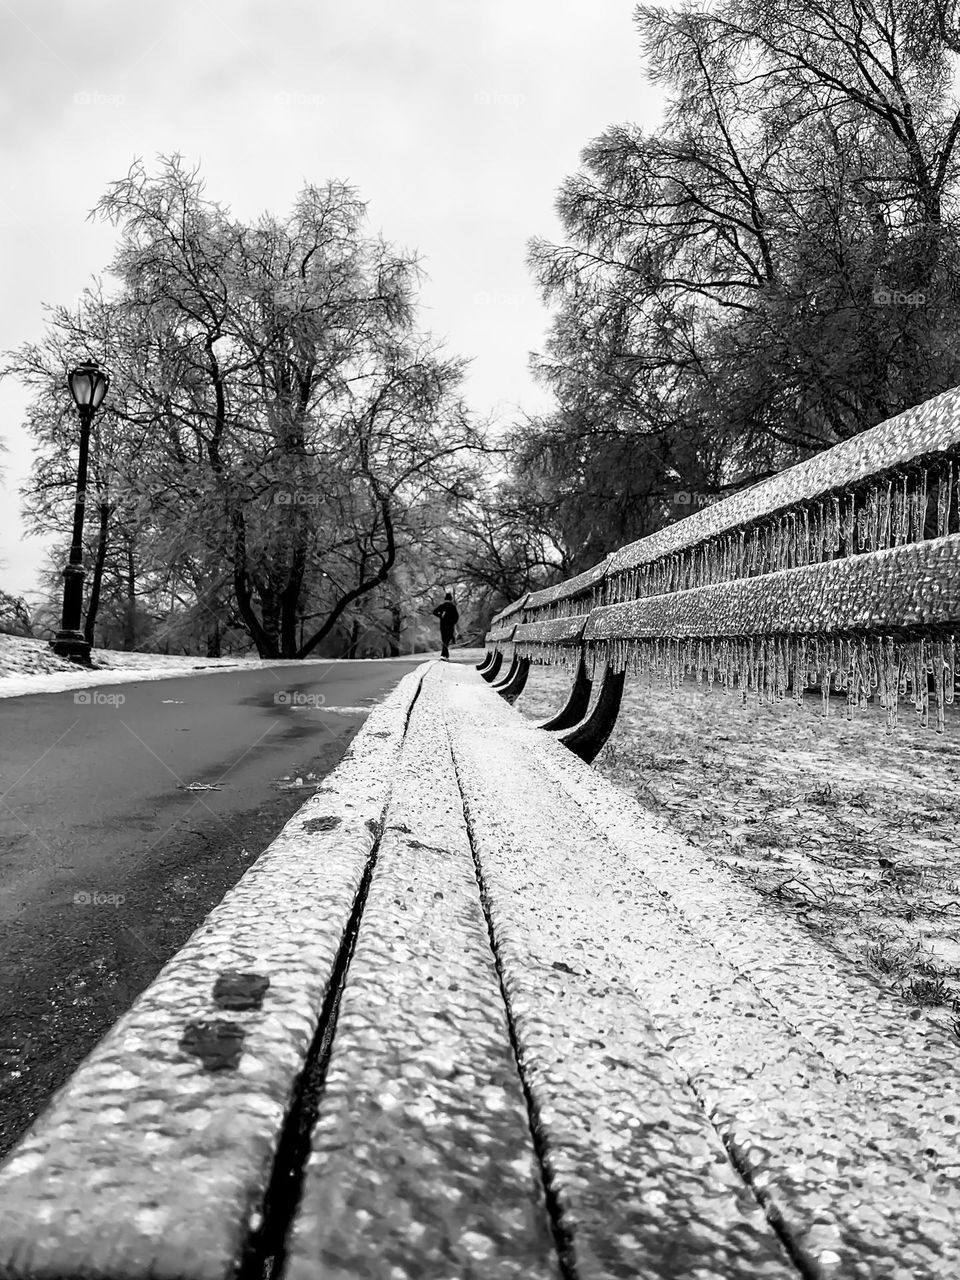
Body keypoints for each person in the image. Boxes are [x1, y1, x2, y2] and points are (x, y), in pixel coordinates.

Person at [432, 591, 459, 661]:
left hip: (443, 625)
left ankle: (444, 655)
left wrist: (440, 616)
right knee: (447, 639)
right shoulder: (453, 607)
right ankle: (445, 655)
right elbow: (456, 616)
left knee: (444, 639)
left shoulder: (442, 606)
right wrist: (453, 622)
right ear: (451, 599)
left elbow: (434, 612)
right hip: (450, 626)